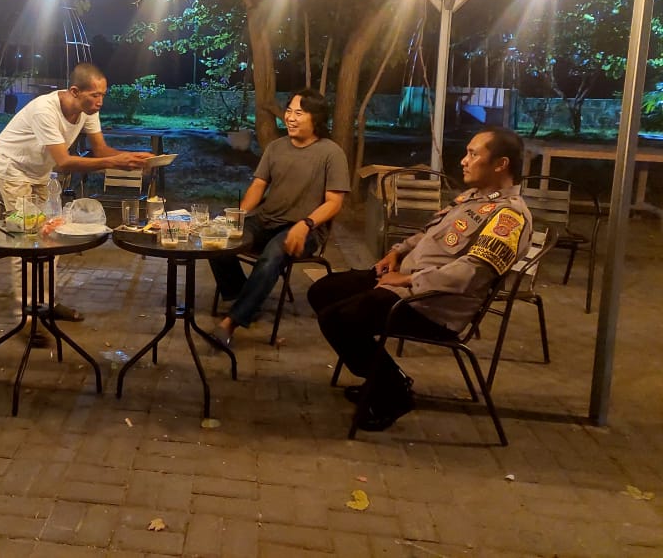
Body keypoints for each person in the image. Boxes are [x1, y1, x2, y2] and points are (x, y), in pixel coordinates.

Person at [308, 125, 532, 432]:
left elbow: (468, 275)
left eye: (473, 154)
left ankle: (393, 393)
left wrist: (406, 281)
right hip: (408, 283)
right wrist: (397, 252)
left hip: (433, 305)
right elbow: (430, 234)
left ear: (500, 164)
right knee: (323, 291)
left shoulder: (508, 217)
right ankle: (383, 378)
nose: (463, 161)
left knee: (339, 319)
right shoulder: (474, 198)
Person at [0, 62, 151, 319]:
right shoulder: (45, 110)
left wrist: (132, 158)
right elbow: (64, 162)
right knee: (26, 238)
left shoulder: (88, 110)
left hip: (39, 170)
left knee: (52, 233)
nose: (100, 102)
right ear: (75, 91)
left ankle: (47, 303)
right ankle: (28, 315)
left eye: (102, 95)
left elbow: (101, 150)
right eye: (95, 95)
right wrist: (114, 163)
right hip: (13, 167)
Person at [208, 89, 349, 347]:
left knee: (273, 253)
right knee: (218, 239)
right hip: (266, 220)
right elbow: (258, 186)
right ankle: (244, 299)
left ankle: (231, 323)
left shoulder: (331, 153)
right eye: (289, 111)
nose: (290, 118)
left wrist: (305, 225)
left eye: (299, 113)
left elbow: (334, 203)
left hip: (306, 229)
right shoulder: (276, 147)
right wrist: (238, 216)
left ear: (316, 118)